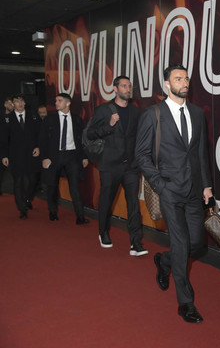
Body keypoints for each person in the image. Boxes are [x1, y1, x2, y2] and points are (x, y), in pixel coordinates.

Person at [136, 64, 213, 323]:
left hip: (193, 190)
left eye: (186, 78)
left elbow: (201, 152)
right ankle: (185, 303)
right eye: (178, 79)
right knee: (181, 243)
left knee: (197, 243)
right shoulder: (153, 114)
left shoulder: (197, 113)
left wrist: (206, 186)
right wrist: (160, 185)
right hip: (169, 190)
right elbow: (141, 155)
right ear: (167, 84)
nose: (184, 82)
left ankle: (165, 261)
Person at [86, 75, 147, 256]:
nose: (128, 89)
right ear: (115, 89)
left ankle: (136, 243)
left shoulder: (136, 111)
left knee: (133, 204)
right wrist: (109, 125)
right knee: (106, 201)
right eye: (124, 86)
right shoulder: (104, 110)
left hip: (131, 166)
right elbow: (90, 134)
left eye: (129, 86)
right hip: (110, 165)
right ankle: (103, 232)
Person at [38, 93, 89, 223]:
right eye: (56, 100)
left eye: (59, 101)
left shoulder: (77, 119)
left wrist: (84, 157)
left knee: (75, 187)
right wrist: (45, 157)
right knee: (52, 186)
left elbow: (81, 140)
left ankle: (80, 216)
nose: (56, 103)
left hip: (72, 156)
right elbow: (42, 140)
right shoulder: (49, 119)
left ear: (68, 103)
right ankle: (53, 212)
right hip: (54, 156)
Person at [0, 94, 41, 219]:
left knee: (34, 179)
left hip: (32, 154)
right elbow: (3, 139)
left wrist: (38, 147)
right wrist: (4, 156)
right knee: (18, 181)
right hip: (15, 155)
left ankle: (28, 198)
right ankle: (22, 208)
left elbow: (40, 134)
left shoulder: (33, 116)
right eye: (17, 101)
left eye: (22, 101)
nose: (20, 103)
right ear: (13, 104)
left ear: (25, 102)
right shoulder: (7, 119)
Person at [0, 97, 13, 195]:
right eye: (9, 103)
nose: (11, 105)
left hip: (13, 147)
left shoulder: (16, 117)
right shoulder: (2, 117)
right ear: (5, 105)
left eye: (12, 104)